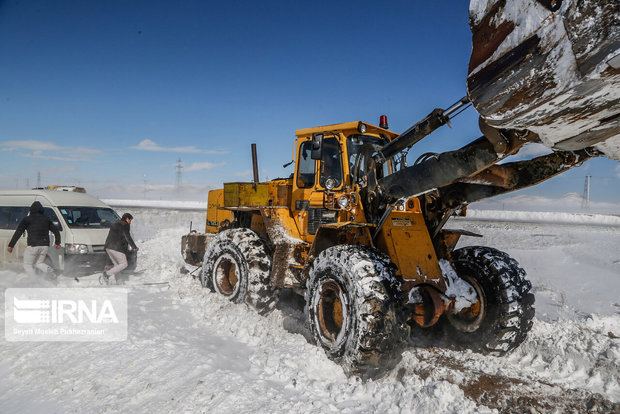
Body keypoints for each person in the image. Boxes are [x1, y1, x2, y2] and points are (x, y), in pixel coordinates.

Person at [7, 201, 61, 277]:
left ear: (31, 210)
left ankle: (34, 281)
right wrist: (58, 243)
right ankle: (50, 271)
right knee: (39, 263)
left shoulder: (27, 219)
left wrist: (11, 245)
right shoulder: (46, 219)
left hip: (33, 246)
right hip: (44, 246)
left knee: (27, 265)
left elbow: (18, 232)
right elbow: (56, 230)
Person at [103, 212, 138, 284]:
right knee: (124, 264)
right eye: (130, 220)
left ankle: (119, 282)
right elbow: (127, 237)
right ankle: (106, 274)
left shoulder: (115, 223)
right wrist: (134, 247)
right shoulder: (125, 225)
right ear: (127, 218)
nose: (130, 222)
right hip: (116, 247)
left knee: (117, 266)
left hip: (108, 246)